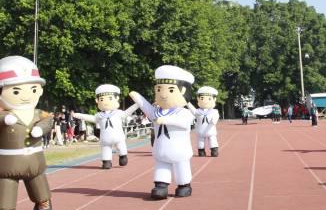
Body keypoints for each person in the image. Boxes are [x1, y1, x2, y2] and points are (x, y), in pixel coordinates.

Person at [0, 56, 54, 210]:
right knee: (6, 186)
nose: (25, 96)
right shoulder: (0, 116)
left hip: (34, 160)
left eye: (32, 89)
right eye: (16, 91)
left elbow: (48, 121)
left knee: (38, 184)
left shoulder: (39, 113)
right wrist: (4, 120)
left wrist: (41, 128)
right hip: (8, 163)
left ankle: (43, 205)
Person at [130, 65, 195, 200]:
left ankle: (184, 185)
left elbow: (184, 123)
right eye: (159, 90)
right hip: (161, 149)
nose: (163, 94)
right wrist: (137, 97)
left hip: (179, 150)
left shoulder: (183, 112)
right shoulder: (156, 112)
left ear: (183, 92)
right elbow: (146, 107)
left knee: (181, 167)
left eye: (170, 90)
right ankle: (161, 186)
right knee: (161, 166)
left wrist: (166, 120)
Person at [73, 84, 138, 169]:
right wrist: (77, 115)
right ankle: (106, 162)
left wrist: (137, 105)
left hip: (118, 136)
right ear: (97, 101)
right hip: (105, 138)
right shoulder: (99, 115)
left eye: (110, 98)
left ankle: (123, 156)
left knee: (121, 146)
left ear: (116, 99)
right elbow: (90, 118)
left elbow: (127, 112)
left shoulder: (118, 113)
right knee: (106, 149)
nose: (106, 102)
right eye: (102, 99)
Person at [188, 86, 220, 157]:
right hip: (201, 130)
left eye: (209, 99)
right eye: (202, 98)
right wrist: (188, 103)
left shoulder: (214, 111)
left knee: (212, 140)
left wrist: (214, 120)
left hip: (210, 130)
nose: (205, 101)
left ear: (214, 99)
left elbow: (216, 117)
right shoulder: (198, 111)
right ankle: (201, 151)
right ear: (198, 99)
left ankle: (214, 151)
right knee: (200, 141)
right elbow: (192, 109)